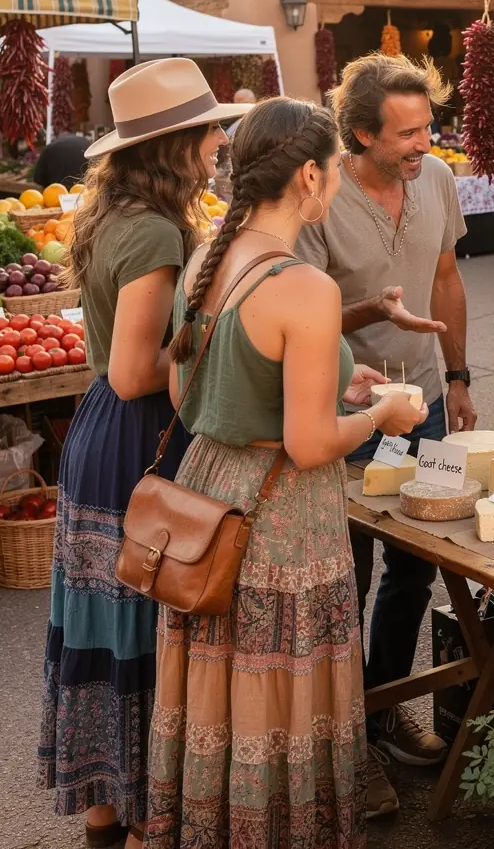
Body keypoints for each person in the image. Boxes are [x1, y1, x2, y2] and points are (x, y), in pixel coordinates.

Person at [145, 96, 425, 846]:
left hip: (207, 488)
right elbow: (307, 445)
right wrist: (380, 416)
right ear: (309, 174)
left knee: (225, 683)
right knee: (281, 682)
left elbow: (187, 390)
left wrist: (336, 388)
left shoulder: (208, 257)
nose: (336, 179)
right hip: (281, 515)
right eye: (333, 167)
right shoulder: (305, 286)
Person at [37, 59, 251, 849]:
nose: (221, 142)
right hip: (138, 437)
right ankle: (140, 816)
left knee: (103, 626)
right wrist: (213, 337)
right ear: (177, 145)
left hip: (100, 434)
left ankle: (104, 816)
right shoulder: (158, 231)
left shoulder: (115, 215)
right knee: (140, 626)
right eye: (210, 131)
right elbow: (135, 372)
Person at [295, 52, 477, 818]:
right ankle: (345, 743)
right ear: (360, 136)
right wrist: (371, 313)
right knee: (347, 574)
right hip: (349, 409)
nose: (423, 144)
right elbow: (290, 318)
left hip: (425, 403)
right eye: (406, 133)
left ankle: (381, 710)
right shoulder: (320, 195)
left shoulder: (433, 179)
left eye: (428, 126)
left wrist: (460, 375)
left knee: (414, 568)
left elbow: (445, 277)